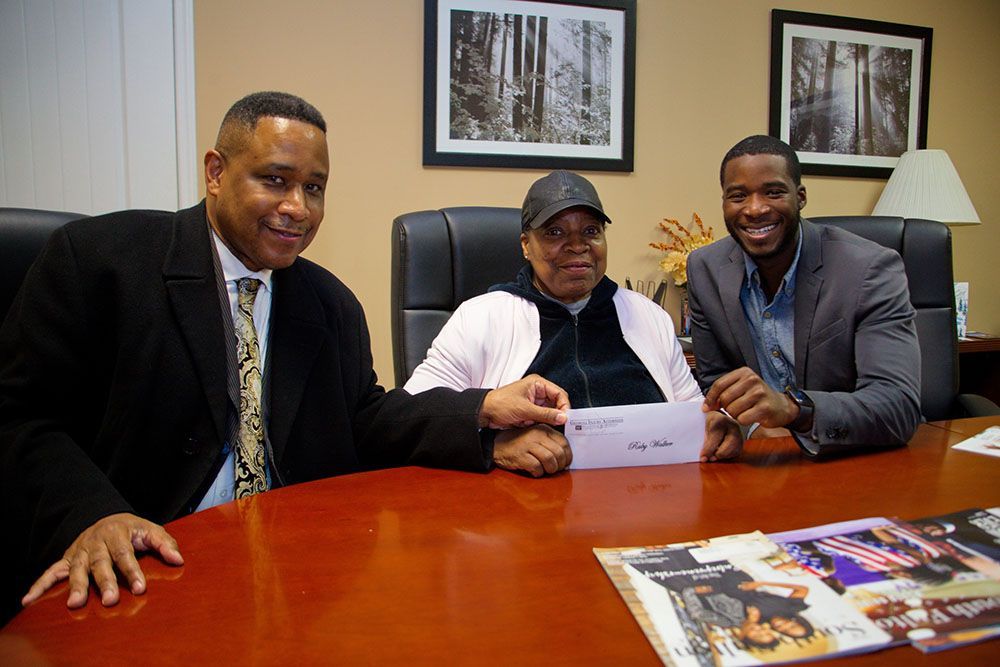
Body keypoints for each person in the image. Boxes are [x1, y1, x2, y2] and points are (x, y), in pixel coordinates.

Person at [0, 92, 571, 618]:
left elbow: (365, 417)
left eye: (315, 188)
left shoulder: (329, 303)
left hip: (288, 578)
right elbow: (21, 416)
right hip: (139, 573)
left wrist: (483, 411)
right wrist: (92, 514)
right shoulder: (99, 263)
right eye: (275, 180)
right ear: (216, 172)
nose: (297, 207)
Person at [404, 170, 742, 468]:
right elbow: (412, 418)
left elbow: (692, 413)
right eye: (554, 233)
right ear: (525, 244)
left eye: (591, 231)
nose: (577, 245)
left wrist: (716, 425)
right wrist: (494, 447)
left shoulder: (647, 315)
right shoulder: (481, 317)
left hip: (645, 501)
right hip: (527, 510)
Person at [687, 135, 921, 456]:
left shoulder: (868, 268)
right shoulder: (705, 268)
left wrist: (793, 411)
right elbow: (716, 382)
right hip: (764, 462)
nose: (755, 209)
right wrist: (751, 426)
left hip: (857, 459)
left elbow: (897, 407)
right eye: (738, 196)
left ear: (800, 197)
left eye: (773, 192)